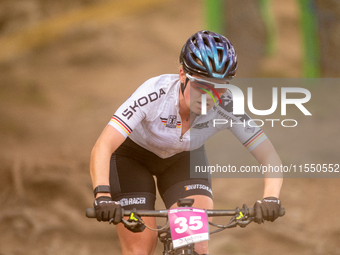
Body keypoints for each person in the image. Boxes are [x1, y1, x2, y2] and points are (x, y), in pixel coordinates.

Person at [90, 30, 283, 255]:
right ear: (182, 74)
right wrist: (102, 196)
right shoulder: (155, 93)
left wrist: (270, 198)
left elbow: (269, 156)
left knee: (196, 244)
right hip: (132, 158)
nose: (210, 95)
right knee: (140, 247)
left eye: (219, 87)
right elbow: (103, 146)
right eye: (201, 84)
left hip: (183, 160)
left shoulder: (227, 106)